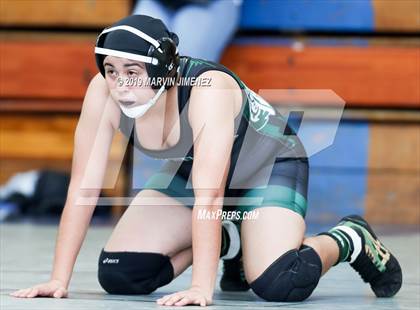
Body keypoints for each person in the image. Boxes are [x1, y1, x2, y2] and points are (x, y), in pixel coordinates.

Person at [10, 15, 402, 307]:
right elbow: (83, 186)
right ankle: (233, 242)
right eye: (111, 70)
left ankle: (349, 238)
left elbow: (211, 197)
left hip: (268, 163)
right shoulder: (103, 91)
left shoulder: (207, 89)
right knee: (121, 272)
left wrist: (201, 286)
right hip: (198, 168)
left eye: (132, 71)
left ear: (164, 70)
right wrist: (57, 280)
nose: (120, 84)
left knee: (280, 282)